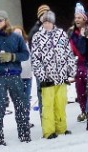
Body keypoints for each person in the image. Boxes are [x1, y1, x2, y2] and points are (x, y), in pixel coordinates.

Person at [0, 10, 31, 146]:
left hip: (14, 75)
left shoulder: (16, 37)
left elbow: (25, 54)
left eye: (0, 20)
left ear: (6, 21)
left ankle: (24, 134)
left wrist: (12, 56)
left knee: (20, 106)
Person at [30, 10, 77, 139]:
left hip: (61, 76)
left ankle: (61, 128)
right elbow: (35, 59)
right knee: (48, 105)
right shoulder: (37, 37)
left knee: (60, 103)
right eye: (45, 22)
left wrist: (71, 69)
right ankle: (49, 131)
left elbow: (68, 53)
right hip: (47, 78)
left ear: (53, 22)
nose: (47, 24)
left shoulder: (61, 34)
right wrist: (41, 74)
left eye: (49, 22)